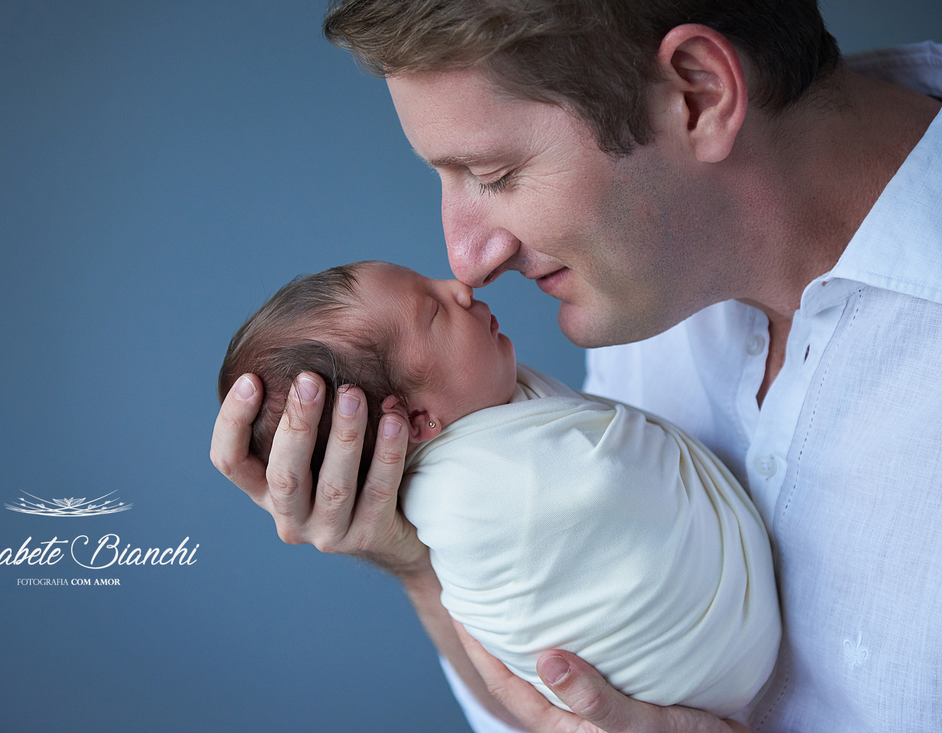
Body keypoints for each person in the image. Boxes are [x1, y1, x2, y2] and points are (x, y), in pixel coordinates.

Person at [209, 0, 942, 730]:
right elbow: (568, 701)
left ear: (698, 94)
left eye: (495, 174)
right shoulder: (646, 276)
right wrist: (417, 560)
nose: (464, 258)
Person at [217, 260, 781, 717]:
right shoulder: (473, 499)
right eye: (433, 313)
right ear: (413, 423)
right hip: (694, 658)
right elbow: (595, 488)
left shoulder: (498, 413)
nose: (459, 285)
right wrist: (411, 559)